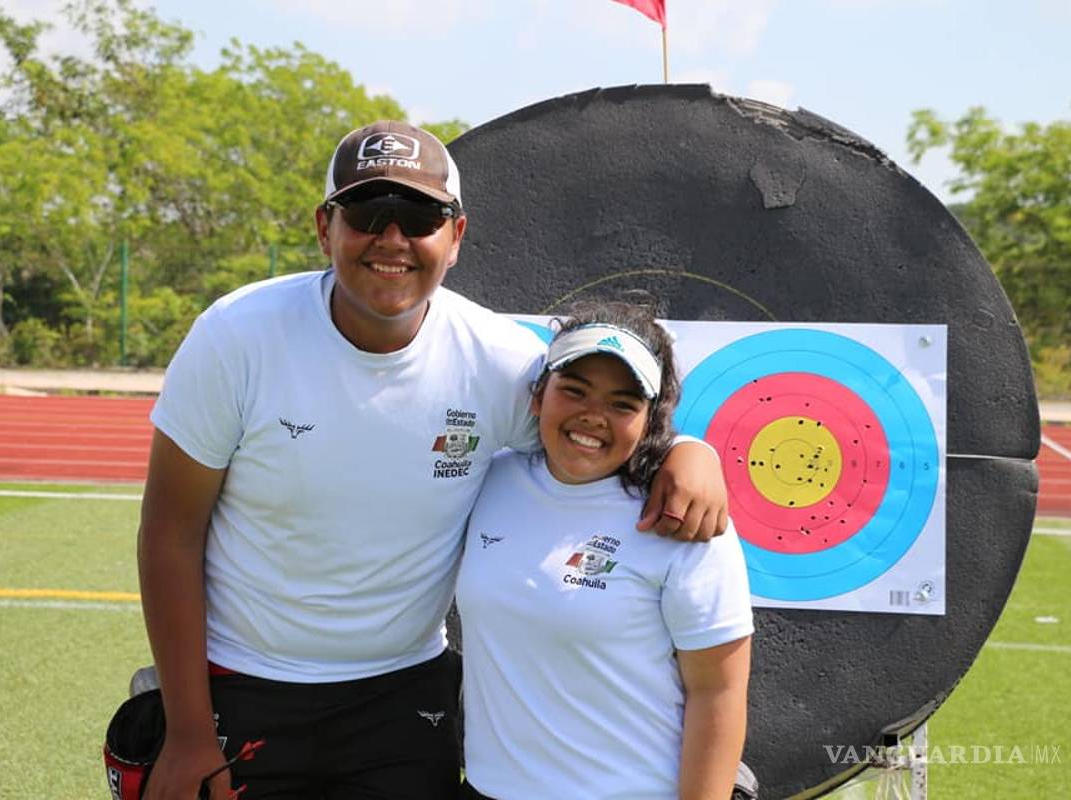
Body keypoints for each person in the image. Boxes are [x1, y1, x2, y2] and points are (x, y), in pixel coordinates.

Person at [137, 121, 731, 800]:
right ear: (324, 227)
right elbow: (169, 533)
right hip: (241, 683)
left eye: (420, 216)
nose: (392, 239)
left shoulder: (500, 361)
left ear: (456, 237)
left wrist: (688, 447)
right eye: (367, 213)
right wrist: (187, 733)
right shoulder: (236, 336)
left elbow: (597, 421)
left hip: (403, 695)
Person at [456, 302, 754, 800]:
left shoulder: (684, 517)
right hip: (489, 790)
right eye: (573, 390)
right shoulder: (490, 478)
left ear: (650, 419)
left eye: (622, 403)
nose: (592, 416)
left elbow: (718, 692)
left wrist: (692, 450)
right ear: (537, 396)